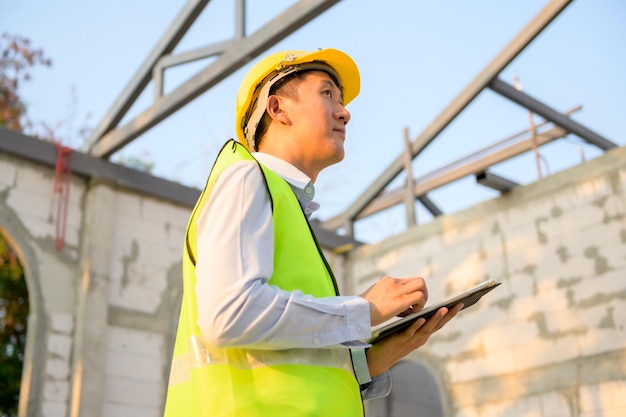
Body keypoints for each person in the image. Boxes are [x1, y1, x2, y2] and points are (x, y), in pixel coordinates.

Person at [163, 48, 462, 417]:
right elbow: (229, 314)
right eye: (327, 94)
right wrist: (364, 311)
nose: (345, 111)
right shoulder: (246, 179)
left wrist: (368, 361)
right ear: (278, 109)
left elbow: (282, 365)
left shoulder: (281, 203)